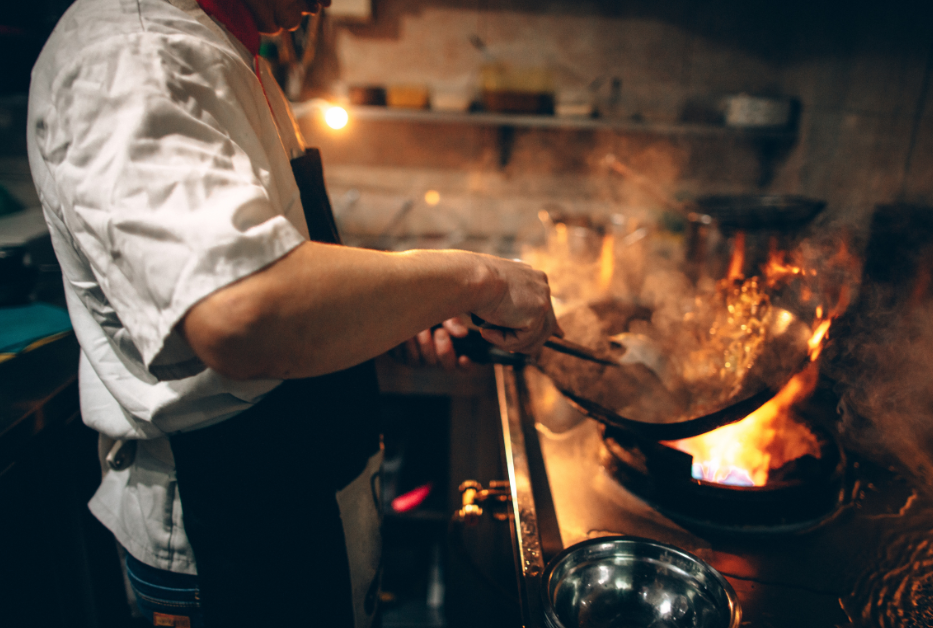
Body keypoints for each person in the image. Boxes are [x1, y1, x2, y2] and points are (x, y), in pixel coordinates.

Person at [26, 0, 559, 626]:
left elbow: (279, 275)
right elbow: (242, 311)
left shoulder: (224, 43)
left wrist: (393, 315)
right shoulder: (135, 55)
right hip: (226, 525)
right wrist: (477, 278)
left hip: (295, 494)